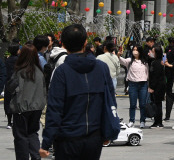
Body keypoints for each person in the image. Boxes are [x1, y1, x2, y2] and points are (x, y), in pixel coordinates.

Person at [40, 24, 117, 159]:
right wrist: (107, 131)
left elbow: (55, 109)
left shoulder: (62, 72)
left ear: (63, 44)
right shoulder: (102, 68)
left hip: (67, 138)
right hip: (94, 136)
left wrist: (46, 142)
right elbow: (110, 100)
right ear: (86, 42)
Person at [8, 44, 46, 160]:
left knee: (20, 136)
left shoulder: (20, 72)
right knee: (33, 133)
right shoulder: (39, 72)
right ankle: (36, 156)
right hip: (37, 108)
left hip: (22, 108)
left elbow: (10, 87)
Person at [118, 44, 149, 128]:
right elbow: (122, 61)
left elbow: (148, 72)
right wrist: (118, 55)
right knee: (132, 104)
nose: (135, 51)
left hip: (143, 84)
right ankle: (131, 120)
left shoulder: (145, 61)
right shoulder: (130, 60)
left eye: (137, 50)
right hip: (132, 84)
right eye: (134, 49)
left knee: (142, 104)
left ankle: (142, 120)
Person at [148, 45, 166, 129]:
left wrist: (152, 87)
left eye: (153, 51)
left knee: (157, 104)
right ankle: (158, 121)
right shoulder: (157, 62)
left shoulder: (157, 63)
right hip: (160, 86)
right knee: (158, 104)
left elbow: (155, 76)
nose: (151, 53)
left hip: (158, 86)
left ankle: (158, 122)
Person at [4, 43, 19, 129]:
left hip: (8, 83)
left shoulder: (7, 60)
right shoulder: (19, 60)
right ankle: (15, 121)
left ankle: (9, 122)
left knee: (8, 102)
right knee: (15, 101)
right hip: (16, 83)